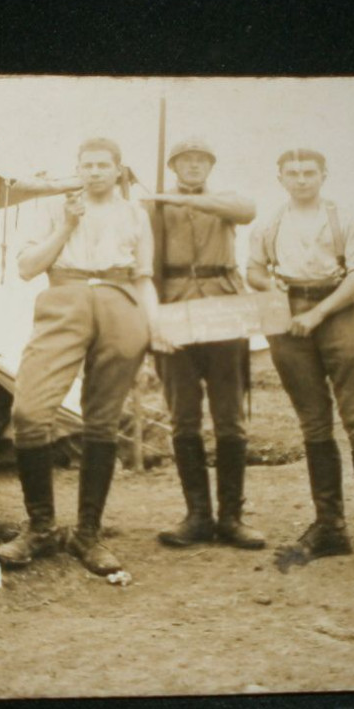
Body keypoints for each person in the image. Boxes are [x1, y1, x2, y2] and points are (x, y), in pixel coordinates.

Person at [0, 138, 166, 576]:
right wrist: (66, 226)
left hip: (120, 303)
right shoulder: (53, 208)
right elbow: (28, 267)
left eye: (103, 165)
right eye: (86, 165)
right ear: (77, 168)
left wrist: (154, 325)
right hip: (63, 301)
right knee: (30, 412)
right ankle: (41, 528)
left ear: (118, 169)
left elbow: (144, 277)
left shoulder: (134, 214)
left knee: (103, 420)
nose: (94, 172)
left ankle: (88, 533)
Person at [246, 148, 354, 575]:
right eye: (293, 173)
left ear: (324, 174)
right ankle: (330, 527)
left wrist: (319, 312)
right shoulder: (269, 224)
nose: (301, 179)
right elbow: (253, 269)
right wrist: (273, 290)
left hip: (340, 311)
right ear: (280, 177)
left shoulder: (348, 219)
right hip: (290, 316)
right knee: (313, 422)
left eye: (309, 172)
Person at [136, 137, 265, 549]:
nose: (193, 165)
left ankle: (232, 518)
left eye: (201, 160)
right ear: (173, 165)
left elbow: (247, 211)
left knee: (230, 416)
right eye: (185, 160)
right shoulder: (152, 205)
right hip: (173, 307)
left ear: (211, 165)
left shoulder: (227, 200)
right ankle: (197, 516)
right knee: (183, 416)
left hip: (224, 307)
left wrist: (186, 202)